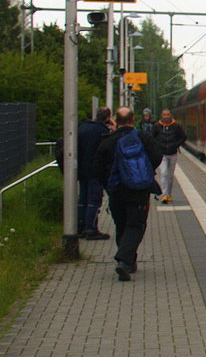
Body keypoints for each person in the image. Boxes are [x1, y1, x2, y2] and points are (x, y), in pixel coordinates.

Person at [96, 107, 163, 281]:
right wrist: (144, 173)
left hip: (116, 190)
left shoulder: (108, 141)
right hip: (138, 190)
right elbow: (157, 155)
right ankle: (125, 261)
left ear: (116, 121)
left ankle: (128, 261)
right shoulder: (143, 137)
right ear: (133, 120)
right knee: (135, 225)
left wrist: (108, 185)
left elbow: (98, 166)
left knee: (121, 225)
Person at [77, 107, 113, 240]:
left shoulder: (83, 128)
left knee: (83, 198)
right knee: (94, 200)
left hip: (82, 170)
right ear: (108, 118)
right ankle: (91, 229)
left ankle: (80, 227)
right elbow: (107, 152)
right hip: (96, 171)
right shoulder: (102, 132)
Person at [151, 108, 187, 203]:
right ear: (161, 115)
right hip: (162, 154)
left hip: (173, 153)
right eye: (164, 114)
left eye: (168, 114)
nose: (166, 116)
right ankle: (165, 195)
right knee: (164, 173)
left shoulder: (176, 126)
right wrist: (157, 146)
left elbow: (183, 137)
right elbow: (151, 137)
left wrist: (176, 144)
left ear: (170, 115)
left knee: (170, 175)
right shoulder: (157, 126)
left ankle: (169, 194)